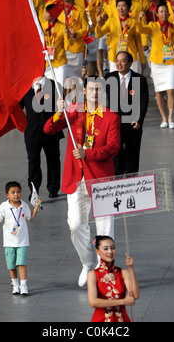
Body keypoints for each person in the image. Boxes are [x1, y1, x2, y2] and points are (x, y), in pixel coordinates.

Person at [43, 76, 121, 287]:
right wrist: (59, 113)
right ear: (84, 91)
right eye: (91, 89)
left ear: (104, 93)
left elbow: (113, 147)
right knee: (76, 225)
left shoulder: (111, 117)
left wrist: (88, 153)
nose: (95, 92)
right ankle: (88, 262)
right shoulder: (73, 111)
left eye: (99, 89)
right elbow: (48, 130)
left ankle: (105, 269)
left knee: (105, 228)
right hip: (76, 177)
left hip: (101, 179)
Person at [0, 181, 42, 295]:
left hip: (22, 241)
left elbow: (30, 218)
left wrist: (35, 207)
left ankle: (24, 285)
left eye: (18, 192)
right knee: (11, 265)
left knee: (22, 263)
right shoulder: (4, 206)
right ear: (7, 195)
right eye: (13, 192)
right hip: (9, 241)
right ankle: (15, 285)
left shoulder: (24, 205)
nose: (16, 194)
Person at [105, 51, 149, 175]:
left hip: (132, 124)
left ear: (130, 63)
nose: (119, 63)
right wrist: (85, 77)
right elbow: (94, 88)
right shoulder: (109, 78)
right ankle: (117, 183)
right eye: (117, 61)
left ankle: (131, 183)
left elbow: (143, 102)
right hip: (115, 125)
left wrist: (139, 121)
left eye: (123, 61)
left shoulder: (139, 80)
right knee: (116, 156)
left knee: (132, 156)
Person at [20, 76, 63, 199]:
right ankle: (34, 191)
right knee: (33, 162)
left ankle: (53, 188)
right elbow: (18, 108)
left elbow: (60, 106)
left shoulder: (55, 85)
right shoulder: (24, 87)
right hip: (32, 133)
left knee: (53, 160)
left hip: (51, 131)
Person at [87, 235, 139, 322]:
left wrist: (131, 269)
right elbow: (93, 302)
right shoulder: (93, 274)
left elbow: (135, 295)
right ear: (97, 251)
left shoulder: (123, 272)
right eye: (105, 248)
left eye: (113, 248)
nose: (110, 252)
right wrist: (123, 302)